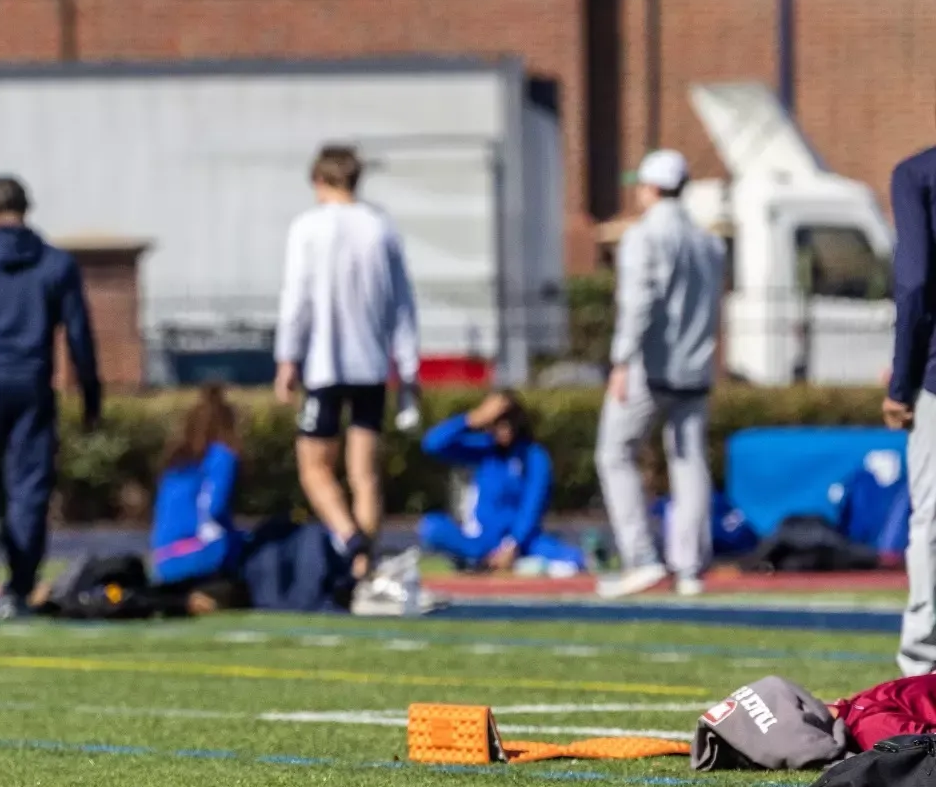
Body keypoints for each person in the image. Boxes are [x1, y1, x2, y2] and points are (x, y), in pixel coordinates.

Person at [0, 175, 100, 614]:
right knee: (29, 483)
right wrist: (90, 393)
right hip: (32, 378)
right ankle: (20, 585)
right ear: (26, 209)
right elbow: (80, 335)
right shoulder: (56, 263)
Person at [273, 144, 420, 578]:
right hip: (372, 367)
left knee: (314, 469)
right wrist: (409, 369)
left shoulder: (309, 228)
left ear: (320, 181)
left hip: (325, 366)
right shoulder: (381, 227)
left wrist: (287, 359)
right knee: (364, 473)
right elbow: (403, 304)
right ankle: (364, 567)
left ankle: (349, 538)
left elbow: (295, 298)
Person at [594, 148, 725, 599]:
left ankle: (642, 557)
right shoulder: (709, 242)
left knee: (615, 453)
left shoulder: (643, 236)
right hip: (695, 368)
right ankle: (689, 567)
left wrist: (622, 359)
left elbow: (639, 303)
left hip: (652, 368)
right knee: (689, 464)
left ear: (649, 187)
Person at [418, 392, 585, 573]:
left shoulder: (533, 456)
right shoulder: (485, 450)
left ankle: (509, 563)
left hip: (522, 541)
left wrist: (512, 545)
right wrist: (473, 418)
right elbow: (432, 444)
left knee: (570, 558)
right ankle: (482, 560)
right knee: (431, 527)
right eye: (495, 422)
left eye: (506, 421)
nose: (501, 428)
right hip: (482, 540)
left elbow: (533, 505)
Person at [888, 132, 936, 672]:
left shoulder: (918, 173)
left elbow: (916, 283)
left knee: (931, 519)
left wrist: (901, 383)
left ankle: (923, 664)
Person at [149, 385, 241, 589]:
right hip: (201, 555)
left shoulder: (175, 461)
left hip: (161, 560)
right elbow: (214, 508)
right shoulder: (221, 456)